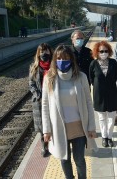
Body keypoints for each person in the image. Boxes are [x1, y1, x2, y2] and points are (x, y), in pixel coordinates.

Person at [42, 44, 97, 179]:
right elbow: (44, 105)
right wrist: (47, 130)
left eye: (66, 58)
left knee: (79, 159)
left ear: (71, 59)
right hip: (59, 127)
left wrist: (91, 126)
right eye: (59, 58)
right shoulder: (49, 78)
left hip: (79, 127)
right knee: (64, 159)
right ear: (55, 60)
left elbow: (89, 103)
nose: (62, 61)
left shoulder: (81, 77)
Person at [89, 41, 117, 147]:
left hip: (112, 94)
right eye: (101, 51)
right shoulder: (93, 64)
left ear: (109, 51)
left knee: (111, 118)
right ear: (97, 52)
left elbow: (115, 76)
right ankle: (104, 137)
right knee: (102, 119)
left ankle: (110, 137)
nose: (104, 53)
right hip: (99, 95)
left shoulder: (113, 63)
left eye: (106, 51)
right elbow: (91, 78)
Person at [29, 43, 53, 157]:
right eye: (42, 51)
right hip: (39, 100)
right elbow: (31, 83)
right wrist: (37, 94)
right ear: (38, 53)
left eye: (46, 51)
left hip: (53, 99)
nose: (44, 53)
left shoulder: (54, 65)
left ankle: (54, 144)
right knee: (42, 125)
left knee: (53, 122)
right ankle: (44, 147)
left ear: (50, 52)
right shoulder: (34, 67)